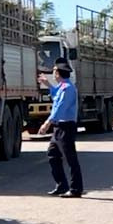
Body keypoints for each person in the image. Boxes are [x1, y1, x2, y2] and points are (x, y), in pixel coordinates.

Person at [38, 58, 83, 198]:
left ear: (58, 73)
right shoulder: (63, 87)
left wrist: (47, 122)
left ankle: (76, 189)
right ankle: (61, 185)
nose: (53, 74)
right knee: (53, 154)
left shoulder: (68, 88)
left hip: (66, 126)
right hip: (59, 127)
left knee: (70, 159)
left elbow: (60, 107)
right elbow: (56, 95)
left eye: (54, 71)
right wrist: (47, 84)